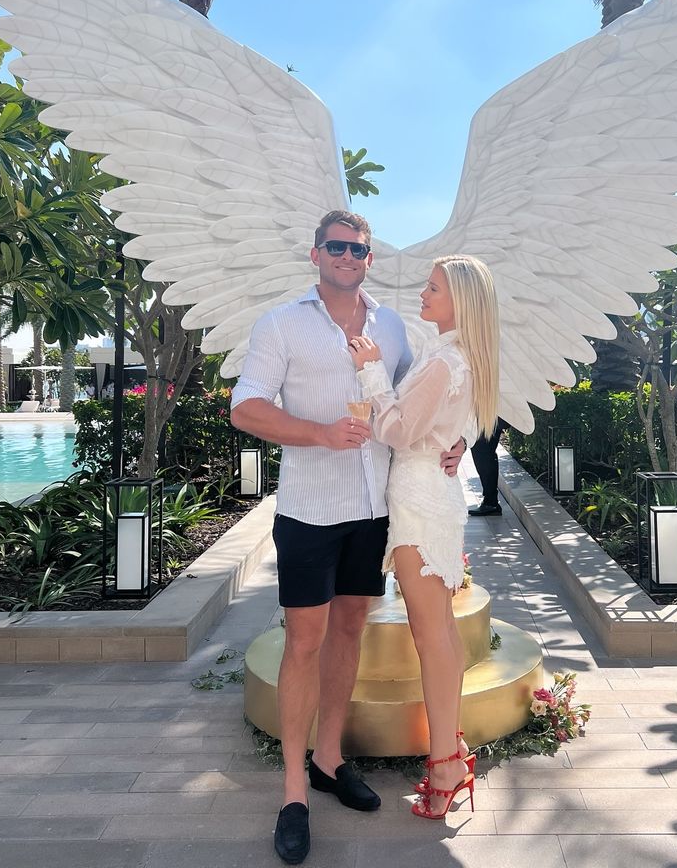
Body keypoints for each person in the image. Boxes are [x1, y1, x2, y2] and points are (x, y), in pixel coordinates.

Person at [230, 210, 464, 865]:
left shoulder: (392, 327)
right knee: (303, 642)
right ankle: (293, 793)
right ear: (315, 254)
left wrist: (459, 442)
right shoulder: (280, 324)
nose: (346, 256)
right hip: (309, 509)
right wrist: (319, 432)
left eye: (357, 248)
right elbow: (244, 407)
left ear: (367, 256)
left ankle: (330, 759)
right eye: (335, 246)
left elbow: (433, 396)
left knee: (351, 630)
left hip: (373, 512)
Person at [349, 253, 500, 820]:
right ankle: (449, 754)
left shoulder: (445, 362)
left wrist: (370, 369)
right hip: (427, 498)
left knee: (430, 634)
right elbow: (439, 429)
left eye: (433, 288)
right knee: (436, 632)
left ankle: (445, 763)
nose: (423, 293)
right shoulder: (455, 357)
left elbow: (396, 429)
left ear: (460, 299)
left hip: (418, 502)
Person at [466, 417, 506, 516]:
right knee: (484, 452)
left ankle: (491, 502)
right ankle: (490, 501)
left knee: (483, 452)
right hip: (489, 414)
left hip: (490, 413)